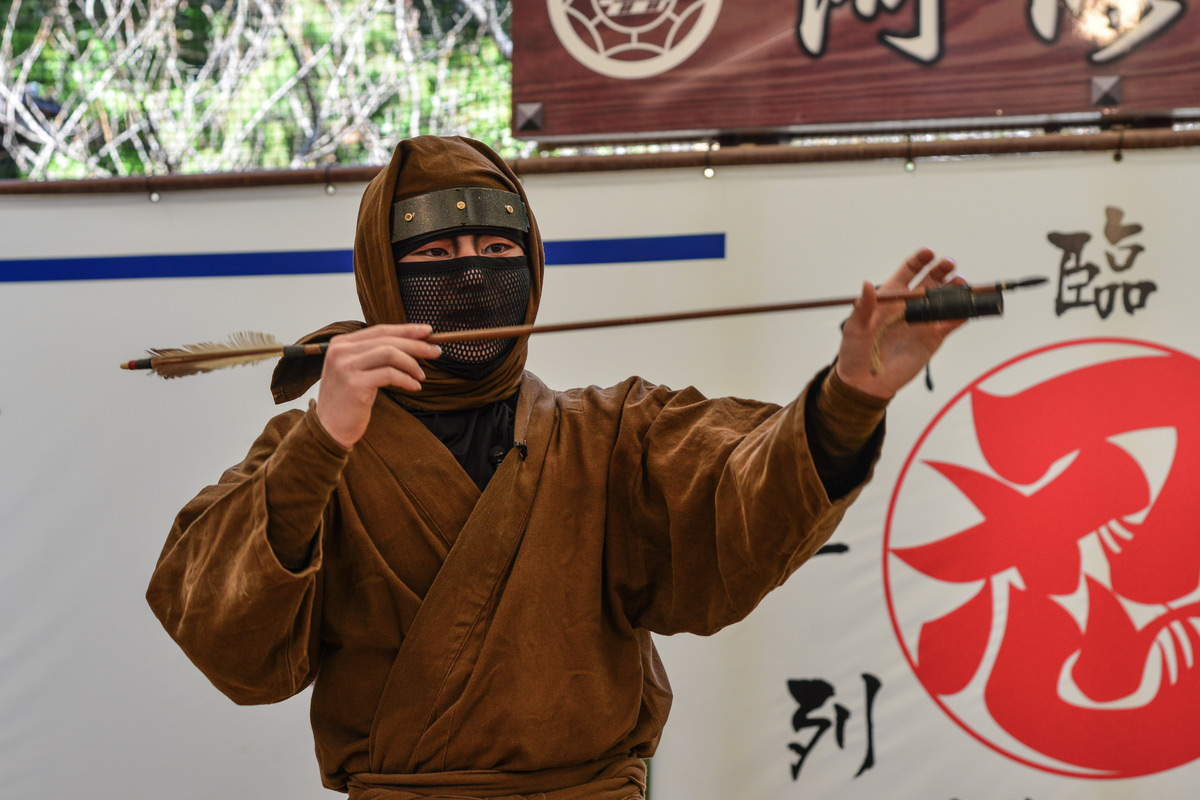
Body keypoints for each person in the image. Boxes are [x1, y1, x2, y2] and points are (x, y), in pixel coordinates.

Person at [146, 135, 966, 800]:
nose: (472, 271)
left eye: (497, 245)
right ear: (383, 274)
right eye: (438, 251)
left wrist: (850, 397)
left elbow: (742, 488)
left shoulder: (614, 433)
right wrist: (322, 439)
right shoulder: (316, 444)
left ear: (533, 264)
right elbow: (226, 634)